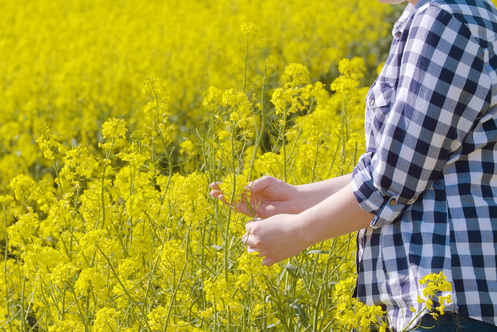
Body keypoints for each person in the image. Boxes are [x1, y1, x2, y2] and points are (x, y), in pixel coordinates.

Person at [209, 0, 497, 330]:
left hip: (444, 299)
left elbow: (393, 178)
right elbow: (409, 163)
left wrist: (299, 231)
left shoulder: (444, 19)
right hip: (440, 300)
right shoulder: (449, 14)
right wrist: (299, 200)